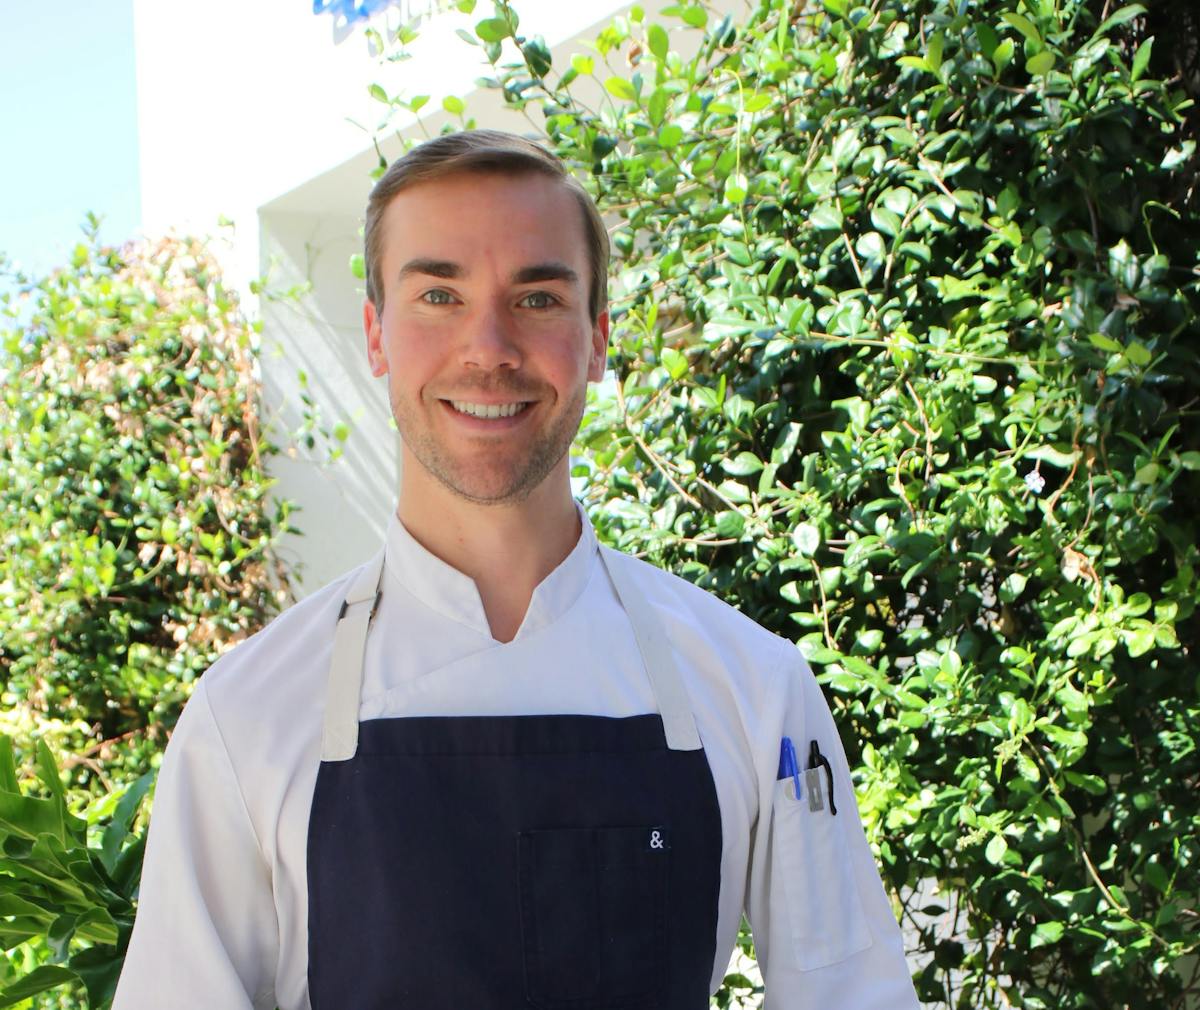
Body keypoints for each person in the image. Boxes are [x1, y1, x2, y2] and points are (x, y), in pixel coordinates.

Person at [113, 130, 920, 1009]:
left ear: (598, 340)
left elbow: (851, 991)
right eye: (439, 295)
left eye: (536, 298)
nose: (488, 347)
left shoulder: (754, 689)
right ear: (377, 336)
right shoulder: (247, 717)